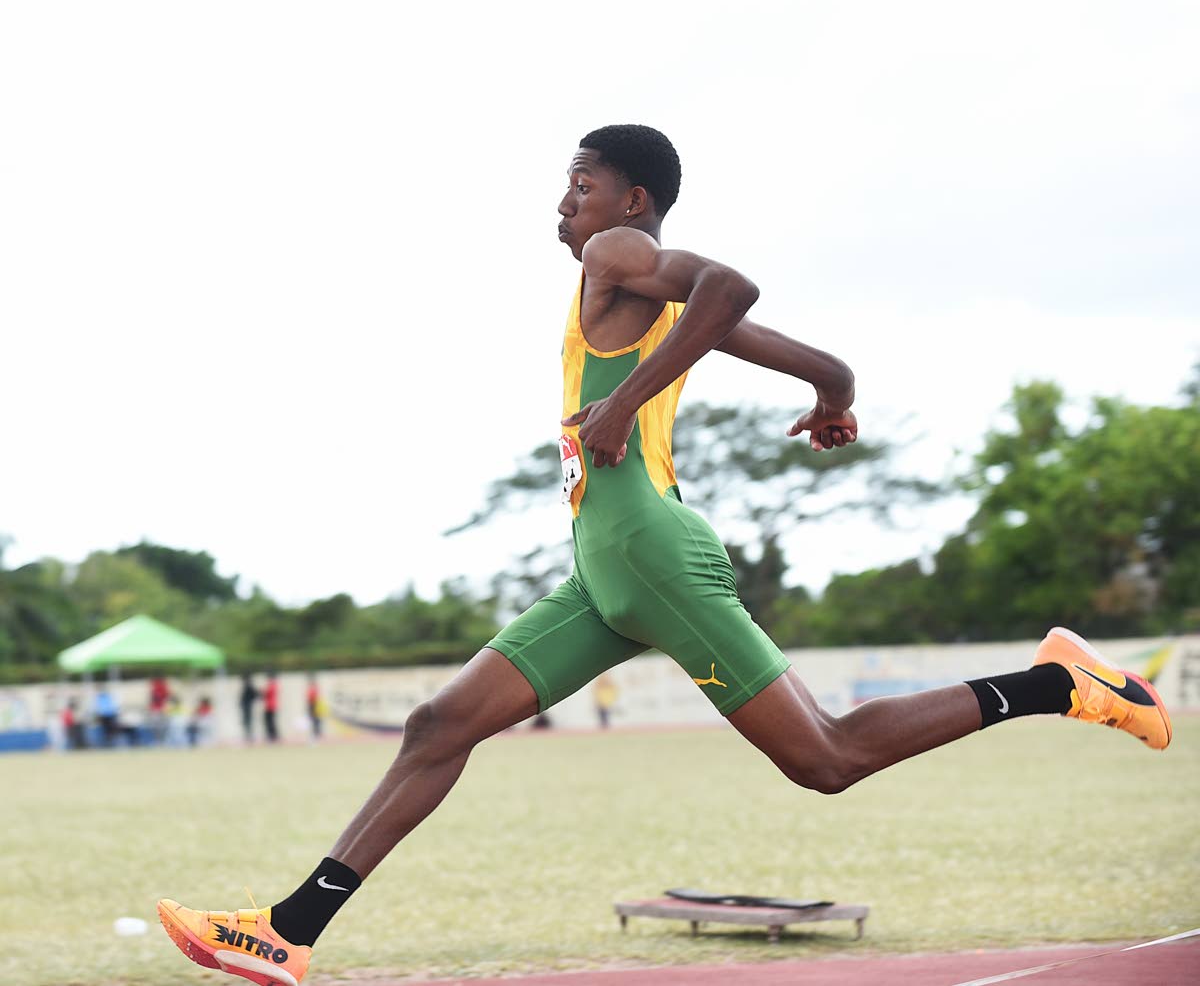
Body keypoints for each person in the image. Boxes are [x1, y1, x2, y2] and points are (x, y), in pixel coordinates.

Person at [159, 125, 1172, 986]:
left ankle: (1058, 684)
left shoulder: (618, 256)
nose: (563, 204)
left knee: (827, 759)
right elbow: (827, 364)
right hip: (603, 572)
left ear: (632, 201)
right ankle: (289, 931)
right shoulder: (644, 294)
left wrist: (625, 403)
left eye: (580, 183)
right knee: (438, 725)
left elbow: (733, 283)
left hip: (647, 551)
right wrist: (830, 398)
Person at [238, 674, 259, 745]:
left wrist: (249, 701)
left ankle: (249, 737)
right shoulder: (248, 686)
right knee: (247, 722)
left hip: (247, 707)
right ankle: (249, 736)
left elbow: (255, 695)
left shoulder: (249, 686)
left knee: (248, 722)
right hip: (246, 707)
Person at [263, 671, 280, 744]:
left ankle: (272, 736)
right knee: (271, 721)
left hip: (270, 706)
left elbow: (266, 693)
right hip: (272, 705)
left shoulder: (271, 684)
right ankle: (273, 736)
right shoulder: (274, 684)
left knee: (270, 722)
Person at [306, 674, 324, 741]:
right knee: (314, 720)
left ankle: (316, 734)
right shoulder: (314, 688)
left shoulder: (313, 688)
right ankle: (316, 733)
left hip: (314, 704)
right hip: (313, 704)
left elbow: (312, 697)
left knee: (315, 720)